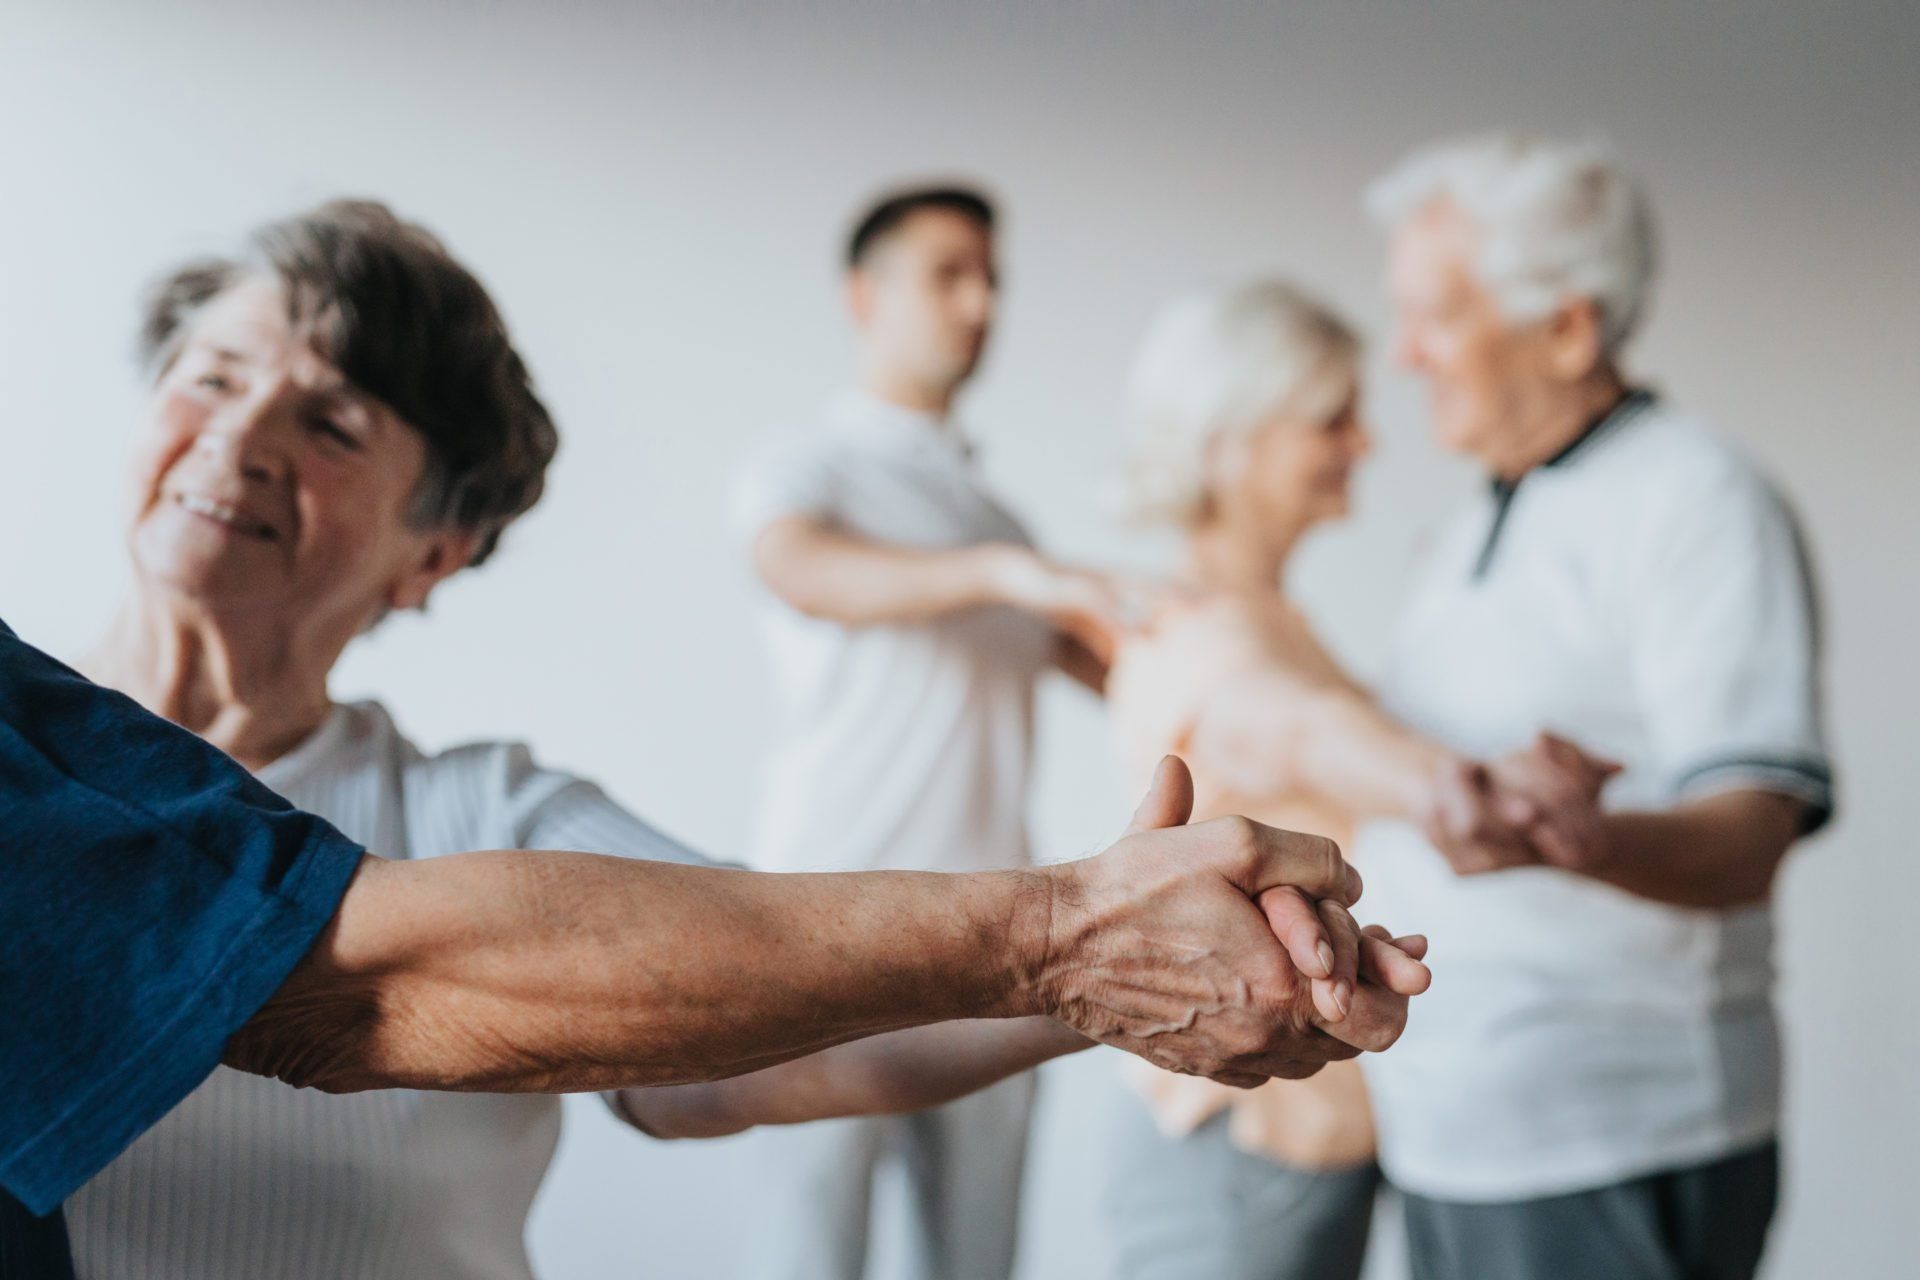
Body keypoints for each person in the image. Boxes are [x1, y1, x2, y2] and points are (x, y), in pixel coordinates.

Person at [0, 200, 1423, 1280]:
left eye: (331, 421)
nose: (239, 439)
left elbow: (747, 1047)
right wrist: (1071, 934)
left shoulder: (482, 811)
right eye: (208, 373)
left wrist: (1129, 955)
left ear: (441, 547)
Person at [1354, 133, 1835, 1279]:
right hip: (1453, 1132)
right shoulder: (1471, 520)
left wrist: (1581, 839)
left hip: (1609, 1140)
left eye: (1438, 315)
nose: (1405, 353)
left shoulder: (1698, 499)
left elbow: (1751, 830)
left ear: (1569, 328)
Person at [1095, 280, 1606, 1280]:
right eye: (1332, 418)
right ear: (1230, 441)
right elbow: (1301, 732)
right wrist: (1452, 782)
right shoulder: (1202, 635)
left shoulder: (1269, 619)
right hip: (1237, 1140)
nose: (1365, 442)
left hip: (1307, 1129)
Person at [728, 184, 1121, 1280]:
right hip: (816, 934)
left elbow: (1124, 674)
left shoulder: (1003, 522)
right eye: (949, 273)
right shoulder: (806, 469)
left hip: (999, 947)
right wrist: (1000, 575)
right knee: (806, 1253)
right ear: (866, 295)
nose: (980, 301)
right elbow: (798, 570)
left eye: (991, 277)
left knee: (976, 1261)